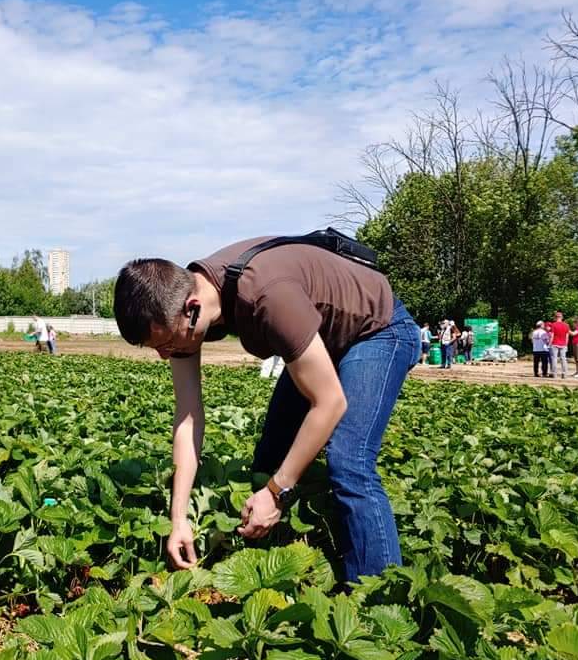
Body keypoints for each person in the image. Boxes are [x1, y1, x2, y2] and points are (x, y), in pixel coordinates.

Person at [113, 235, 420, 583]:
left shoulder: (267, 296)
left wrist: (277, 492)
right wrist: (179, 517)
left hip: (377, 330)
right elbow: (188, 418)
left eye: (167, 342)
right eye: (156, 348)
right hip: (319, 337)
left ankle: (378, 592)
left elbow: (330, 402)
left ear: (192, 307)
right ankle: (283, 560)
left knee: (349, 461)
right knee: (270, 459)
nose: (165, 355)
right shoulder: (183, 309)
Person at [549, 311, 570, 379]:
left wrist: (549, 344)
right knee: (563, 359)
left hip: (554, 343)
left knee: (554, 359)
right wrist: (566, 345)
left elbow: (552, 335)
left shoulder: (553, 325)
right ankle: (564, 374)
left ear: (555, 317)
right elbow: (567, 336)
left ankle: (554, 374)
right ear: (562, 317)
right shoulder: (566, 325)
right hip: (563, 344)